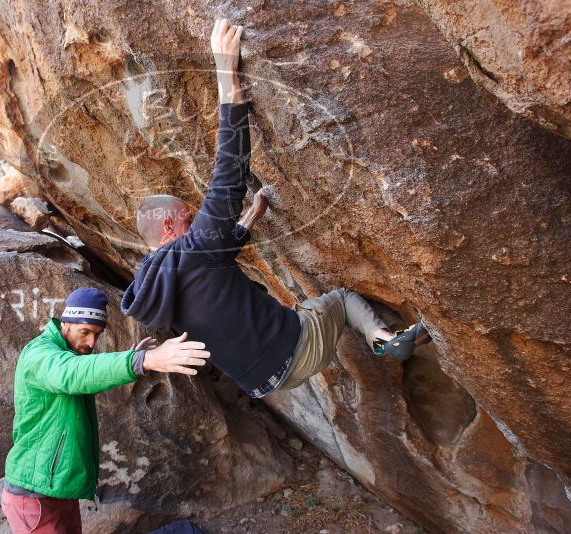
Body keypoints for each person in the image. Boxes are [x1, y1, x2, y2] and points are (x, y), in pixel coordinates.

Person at [121, 19, 430, 400]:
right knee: (342, 298)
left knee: (302, 309)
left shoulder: (153, 289)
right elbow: (228, 173)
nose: (196, 216)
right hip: (295, 350)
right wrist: (225, 74)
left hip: (263, 383)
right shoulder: (194, 250)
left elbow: (222, 252)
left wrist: (254, 212)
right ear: (169, 225)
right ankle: (386, 339)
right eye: (188, 216)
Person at [1, 287, 209, 533]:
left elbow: (88, 373)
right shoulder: (41, 354)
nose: (91, 342)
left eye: (97, 334)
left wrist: (132, 356)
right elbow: (71, 373)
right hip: (34, 497)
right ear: (65, 322)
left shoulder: (67, 351)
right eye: (85, 331)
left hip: (56, 490)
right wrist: (141, 360)